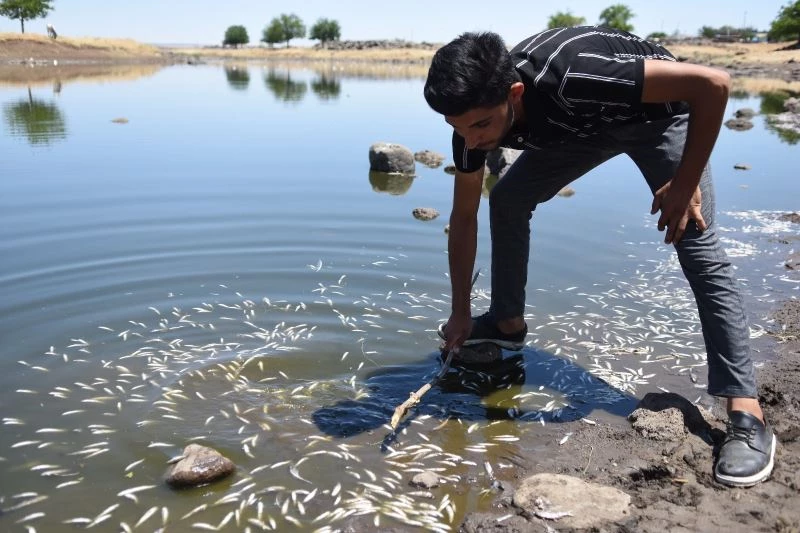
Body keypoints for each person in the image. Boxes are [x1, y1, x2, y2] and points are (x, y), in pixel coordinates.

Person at [424, 26, 775, 488]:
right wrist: (460, 312)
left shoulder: (573, 76)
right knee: (507, 198)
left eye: (481, 126)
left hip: (659, 116)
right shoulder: (470, 129)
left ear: (514, 94)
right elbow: (464, 216)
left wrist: (685, 182)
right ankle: (507, 324)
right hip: (582, 128)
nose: (470, 141)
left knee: (695, 240)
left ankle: (746, 412)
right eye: (458, 128)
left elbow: (713, 84)